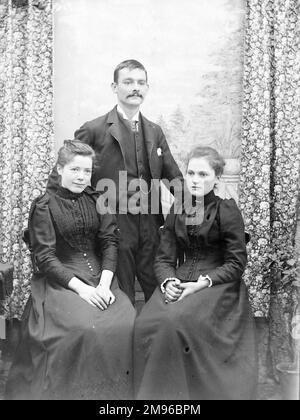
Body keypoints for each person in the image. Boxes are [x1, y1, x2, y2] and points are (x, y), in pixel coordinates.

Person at [5, 140, 136, 400]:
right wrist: (83, 290)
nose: (81, 177)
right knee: (83, 328)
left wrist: (104, 283)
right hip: (61, 282)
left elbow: (110, 242)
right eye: (75, 169)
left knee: (127, 320)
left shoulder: (98, 199)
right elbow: (46, 257)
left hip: (102, 278)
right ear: (60, 168)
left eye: (86, 171)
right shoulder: (44, 205)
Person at [47, 59, 183, 304]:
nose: (135, 88)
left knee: (158, 295)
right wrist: (53, 214)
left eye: (141, 83)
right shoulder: (94, 129)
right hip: (113, 226)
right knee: (122, 297)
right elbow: (62, 176)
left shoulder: (154, 131)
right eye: (128, 82)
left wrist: (197, 209)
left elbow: (173, 177)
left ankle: (153, 341)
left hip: (151, 224)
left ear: (147, 88)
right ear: (114, 87)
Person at [133, 146, 258, 400]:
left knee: (175, 322)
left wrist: (201, 284)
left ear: (217, 178)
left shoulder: (227, 210)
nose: (195, 180)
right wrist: (168, 281)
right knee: (146, 322)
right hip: (180, 280)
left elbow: (236, 263)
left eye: (203, 174)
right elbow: (163, 258)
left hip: (217, 286)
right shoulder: (178, 208)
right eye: (190, 173)